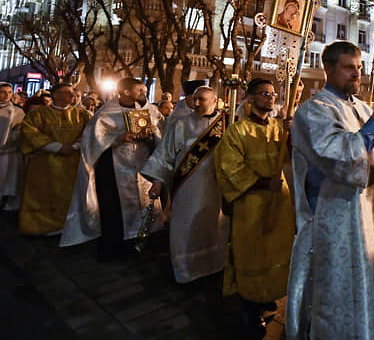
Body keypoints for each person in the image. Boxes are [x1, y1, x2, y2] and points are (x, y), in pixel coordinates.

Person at [286, 41, 374, 340]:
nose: (357, 73)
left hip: (372, 218)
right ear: (329, 69)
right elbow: (339, 155)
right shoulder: (313, 110)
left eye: (360, 67)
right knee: (339, 299)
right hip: (334, 222)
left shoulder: (364, 109)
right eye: (349, 67)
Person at [214, 78, 294, 340]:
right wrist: (261, 182)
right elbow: (230, 167)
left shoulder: (278, 128)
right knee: (252, 255)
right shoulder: (237, 131)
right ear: (249, 97)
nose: (269, 98)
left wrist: (292, 137)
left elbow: (289, 157)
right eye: (263, 93)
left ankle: (267, 295)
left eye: (272, 94)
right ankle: (250, 310)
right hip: (251, 205)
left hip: (278, 203)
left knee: (274, 253)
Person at [60, 78, 163, 260]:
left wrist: (149, 137)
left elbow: (159, 135)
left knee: (145, 204)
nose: (144, 93)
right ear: (125, 92)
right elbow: (93, 140)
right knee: (115, 209)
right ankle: (116, 249)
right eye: (139, 90)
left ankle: (142, 243)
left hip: (143, 166)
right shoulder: (106, 113)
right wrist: (118, 138)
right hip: (115, 168)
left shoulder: (149, 110)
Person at [142, 86, 229, 284]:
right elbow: (165, 155)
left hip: (216, 187)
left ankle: (214, 266)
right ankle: (186, 271)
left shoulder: (227, 123)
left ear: (215, 101)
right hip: (187, 187)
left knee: (215, 227)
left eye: (202, 99)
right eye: (194, 99)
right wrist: (158, 181)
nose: (196, 103)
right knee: (186, 226)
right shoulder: (180, 124)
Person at [18, 83, 90, 235]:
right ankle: (42, 226)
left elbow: (90, 132)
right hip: (44, 162)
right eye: (65, 92)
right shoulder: (37, 114)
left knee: (70, 195)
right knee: (43, 195)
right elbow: (30, 133)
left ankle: (69, 225)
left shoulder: (82, 115)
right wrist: (57, 147)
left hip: (72, 162)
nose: (71, 96)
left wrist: (75, 146)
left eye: (72, 93)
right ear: (55, 95)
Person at [0, 82, 25, 211]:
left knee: (7, 179)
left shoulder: (17, 111)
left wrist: (9, 139)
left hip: (8, 151)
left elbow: (20, 129)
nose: (6, 95)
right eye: (3, 92)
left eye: (9, 92)